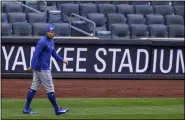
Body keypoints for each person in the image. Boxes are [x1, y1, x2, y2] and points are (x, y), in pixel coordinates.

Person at [23, 24, 69, 115]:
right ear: (46, 32)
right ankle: (57, 110)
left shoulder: (51, 41)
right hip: (43, 68)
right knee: (50, 89)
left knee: (34, 87)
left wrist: (62, 60)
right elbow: (35, 54)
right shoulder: (42, 42)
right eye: (49, 31)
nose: (50, 33)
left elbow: (54, 54)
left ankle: (26, 108)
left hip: (38, 68)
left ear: (54, 33)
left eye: (52, 32)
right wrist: (31, 66)